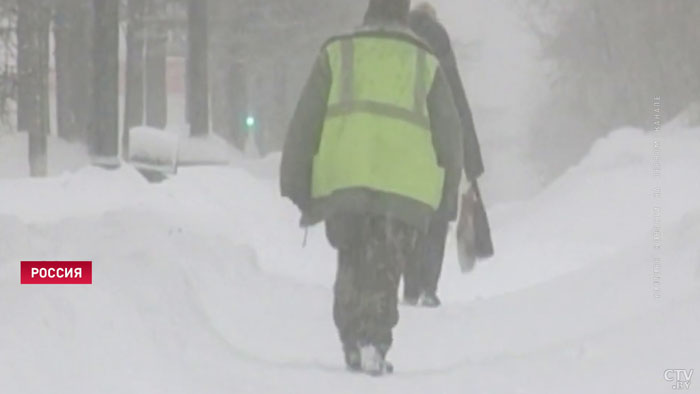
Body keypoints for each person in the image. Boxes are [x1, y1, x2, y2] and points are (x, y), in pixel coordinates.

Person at [280, 0, 463, 376]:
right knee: (385, 265)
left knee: (351, 257)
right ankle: (373, 341)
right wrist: (446, 198)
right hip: (405, 186)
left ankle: (352, 336)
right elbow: (450, 134)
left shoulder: (338, 52)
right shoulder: (424, 61)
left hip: (344, 180)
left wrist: (297, 183)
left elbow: (305, 122)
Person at [402, 2, 489, 307]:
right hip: (439, 142)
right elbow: (456, 97)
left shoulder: (397, 40)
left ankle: (410, 287)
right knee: (437, 216)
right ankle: (428, 287)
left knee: (408, 214)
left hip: (405, 141)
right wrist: (471, 161)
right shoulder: (438, 40)